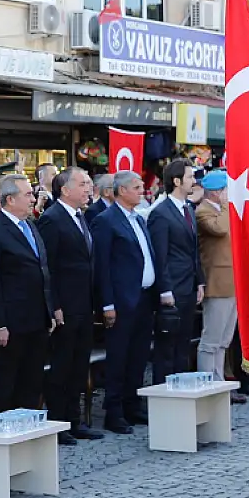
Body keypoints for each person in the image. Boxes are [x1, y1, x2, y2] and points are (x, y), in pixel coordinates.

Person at [0, 173, 58, 412]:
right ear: (10, 199)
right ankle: (0, 435)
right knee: (6, 383)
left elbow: (43, 270)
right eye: (28, 194)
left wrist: (49, 311)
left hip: (37, 318)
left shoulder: (30, 225)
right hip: (11, 322)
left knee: (32, 382)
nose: (33, 199)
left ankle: (27, 435)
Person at [38, 168, 104, 443]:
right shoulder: (52, 219)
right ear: (65, 189)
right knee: (62, 365)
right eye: (82, 184)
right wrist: (54, 305)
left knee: (79, 364)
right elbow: (48, 267)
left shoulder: (81, 217)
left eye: (89, 184)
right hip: (65, 305)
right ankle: (58, 421)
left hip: (83, 303)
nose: (88, 188)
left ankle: (74, 420)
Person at [91, 170, 157, 434]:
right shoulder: (105, 221)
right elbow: (102, 266)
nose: (142, 191)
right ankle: (114, 410)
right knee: (119, 357)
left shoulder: (138, 219)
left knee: (139, 355)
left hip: (143, 297)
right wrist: (107, 304)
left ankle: (133, 404)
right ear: (120, 191)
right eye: (136, 187)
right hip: (120, 301)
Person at [147, 159, 205, 389]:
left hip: (189, 287)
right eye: (190, 177)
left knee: (183, 344)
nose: (194, 181)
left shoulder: (188, 208)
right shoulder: (161, 213)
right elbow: (159, 256)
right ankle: (163, 396)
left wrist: (200, 281)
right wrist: (165, 290)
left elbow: (194, 250)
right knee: (166, 348)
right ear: (176, 181)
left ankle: (182, 395)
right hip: (171, 289)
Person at [195, 170, 241, 379]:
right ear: (217, 192)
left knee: (224, 340)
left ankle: (218, 379)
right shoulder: (203, 211)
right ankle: (207, 380)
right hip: (217, 282)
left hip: (232, 282)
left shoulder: (222, 210)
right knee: (211, 339)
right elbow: (220, 229)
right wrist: (225, 206)